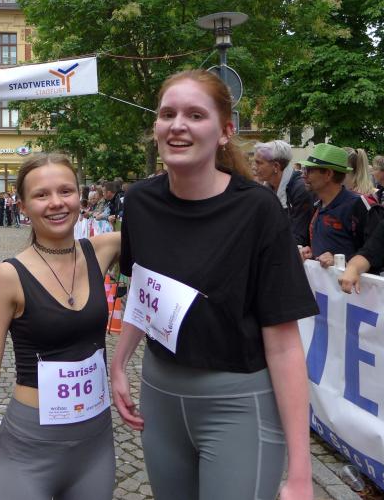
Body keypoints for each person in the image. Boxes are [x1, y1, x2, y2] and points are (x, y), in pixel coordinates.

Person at [111, 70, 319, 500]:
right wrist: (119, 363)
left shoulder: (258, 210)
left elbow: (284, 344)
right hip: (161, 397)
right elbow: (146, 296)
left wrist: (301, 471)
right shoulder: (141, 202)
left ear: (225, 131)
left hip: (238, 405)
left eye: (195, 115)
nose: (178, 125)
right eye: (167, 114)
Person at [0, 153, 120, 500]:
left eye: (66, 191)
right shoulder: (8, 276)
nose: (56, 202)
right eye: (41, 195)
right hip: (30, 447)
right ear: (23, 206)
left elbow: (174, 225)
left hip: (95, 444)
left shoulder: (103, 250)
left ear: (80, 197)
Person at [299, 143, 384, 268]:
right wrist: (311, 255)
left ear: (328, 174)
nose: (303, 175)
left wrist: (341, 262)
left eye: (309, 170)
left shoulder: (359, 204)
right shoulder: (318, 204)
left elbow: (378, 252)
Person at [253, 140, 314, 246]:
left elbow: (299, 237)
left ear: (276, 166)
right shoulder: (267, 188)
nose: (254, 167)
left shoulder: (300, 189)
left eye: (259, 163)